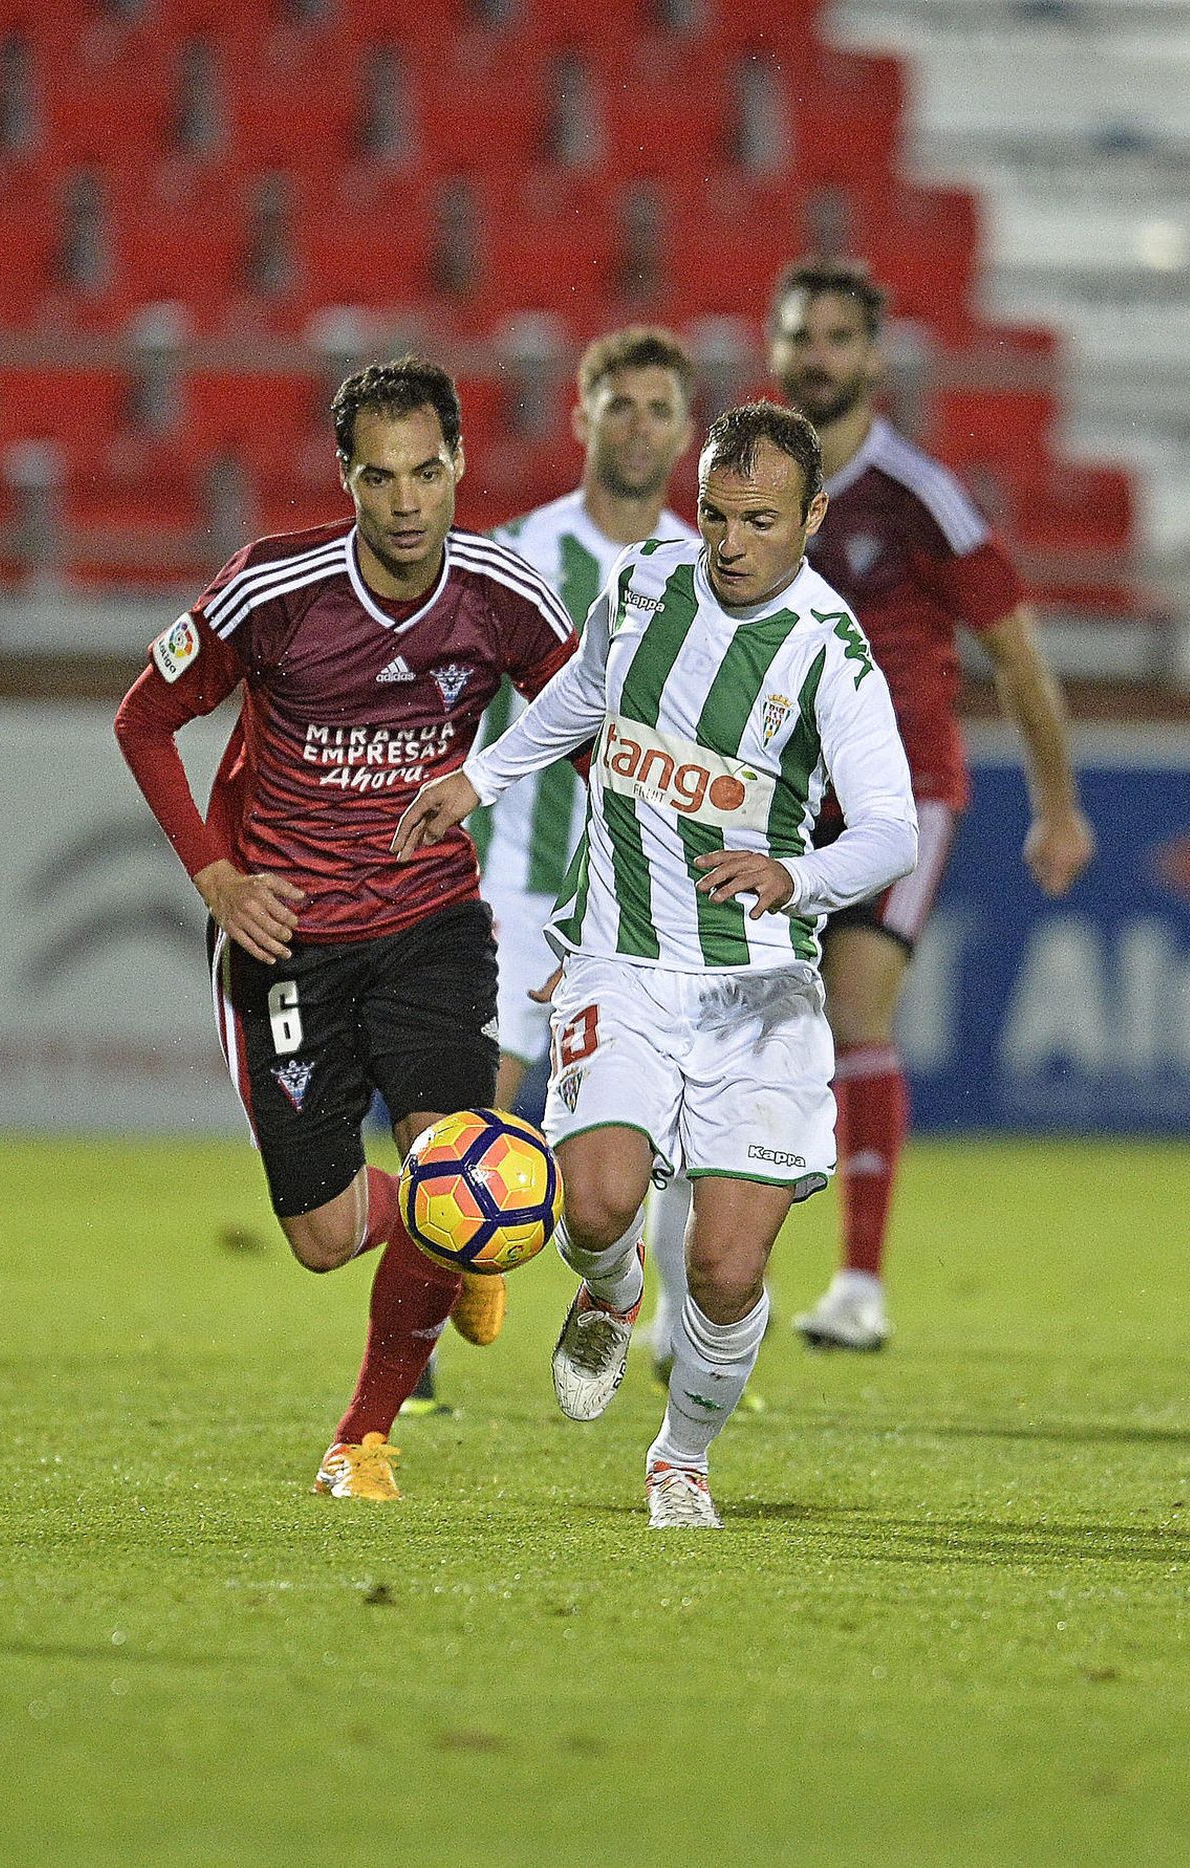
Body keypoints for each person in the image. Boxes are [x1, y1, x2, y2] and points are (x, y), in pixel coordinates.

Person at [395, 402, 919, 1529]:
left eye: (761, 522)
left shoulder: (830, 651)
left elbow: (892, 831)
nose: (730, 542)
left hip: (756, 987)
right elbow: (582, 695)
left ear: (812, 519)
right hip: (620, 958)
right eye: (716, 515)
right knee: (595, 1206)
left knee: (727, 1268)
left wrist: (795, 873)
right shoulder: (643, 585)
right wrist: (482, 779)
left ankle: (680, 1457)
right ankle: (611, 1289)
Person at [113, 356, 578, 1500]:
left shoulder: (504, 593)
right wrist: (217, 876)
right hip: (287, 935)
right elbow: (143, 719)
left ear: (459, 462)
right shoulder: (272, 589)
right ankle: (466, 1220)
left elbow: (587, 719)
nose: (407, 502)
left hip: (429, 918)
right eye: (380, 477)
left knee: (443, 1153)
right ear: (345, 478)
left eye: (426, 472)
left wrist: (600, 888)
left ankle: (362, 1438)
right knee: (324, 1235)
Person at [766, 257, 1096, 1352]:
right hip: (768, 794)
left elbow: (1016, 651)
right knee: (731, 1017)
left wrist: (1057, 805)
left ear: (873, 357)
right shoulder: (749, 485)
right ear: (774, 348)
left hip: (895, 793)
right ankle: (699, 1282)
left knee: (855, 1006)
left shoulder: (921, 498)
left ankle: (858, 1284)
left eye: (836, 338)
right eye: (800, 335)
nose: (817, 356)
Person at [404, 327, 700, 1415]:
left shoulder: (706, 568)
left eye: (659, 408)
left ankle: (648, 1314)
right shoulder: (514, 555)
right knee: (457, 1119)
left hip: (642, 902)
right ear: (581, 416)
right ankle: (419, 1333)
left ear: (685, 429)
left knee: (650, 1133)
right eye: (620, 404)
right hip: (513, 888)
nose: (638, 426)